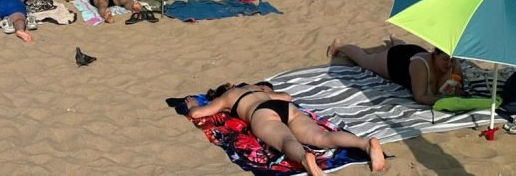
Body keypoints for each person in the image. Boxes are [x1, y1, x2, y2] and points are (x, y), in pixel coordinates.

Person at [188, 81, 385, 174]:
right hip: (286, 108)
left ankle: (305, 160)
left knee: (286, 141)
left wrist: (193, 106)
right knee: (321, 136)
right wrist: (267, 91)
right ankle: (365, 144)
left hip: (262, 114)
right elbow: (287, 97)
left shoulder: (228, 97)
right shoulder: (256, 89)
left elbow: (198, 114)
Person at [326, 38, 464, 107]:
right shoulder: (420, 67)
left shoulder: (454, 65)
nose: (449, 64)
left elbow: (459, 92)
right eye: (445, 59)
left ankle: (395, 40)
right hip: (395, 61)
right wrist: (443, 100)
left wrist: (457, 89)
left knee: (403, 47)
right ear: (435, 55)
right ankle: (340, 45)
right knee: (365, 60)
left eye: (452, 60)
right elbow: (420, 96)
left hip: (413, 51)